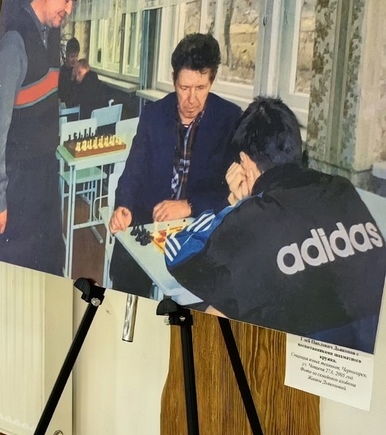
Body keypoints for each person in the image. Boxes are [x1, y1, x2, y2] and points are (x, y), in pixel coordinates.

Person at [165, 97, 386, 353]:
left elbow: (178, 254)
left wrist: (231, 202)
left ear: (245, 162)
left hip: (306, 359)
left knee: (216, 312)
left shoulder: (255, 215)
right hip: (370, 351)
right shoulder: (341, 188)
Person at [0, 0, 83, 275]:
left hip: (45, 173)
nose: (69, 9)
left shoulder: (51, 35)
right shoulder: (14, 41)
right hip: (18, 182)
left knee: (52, 261)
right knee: (19, 269)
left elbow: (48, 95)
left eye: (74, 2)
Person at [107, 33, 241, 296]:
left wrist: (190, 205)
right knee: (126, 284)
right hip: (149, 220)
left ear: (212, 80)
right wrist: (123, 206)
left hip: (198, 225)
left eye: (200, 88)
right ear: (173, 81)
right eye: (184, 88)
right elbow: (133, 171)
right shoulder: (153, 115)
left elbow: (231, 191)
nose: (191, 99)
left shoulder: (229, 119)